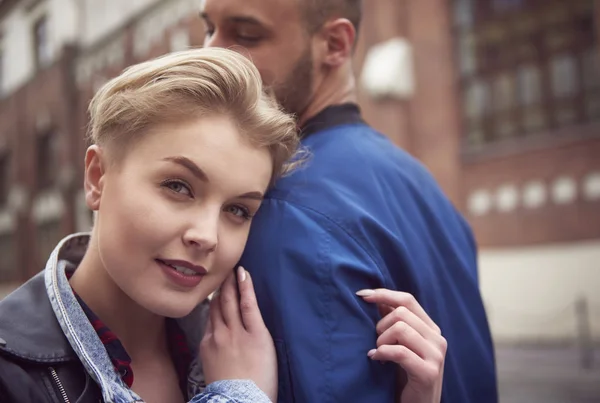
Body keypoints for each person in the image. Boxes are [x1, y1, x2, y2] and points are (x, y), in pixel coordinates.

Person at [0, 48, 445, 403]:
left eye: (238, 210)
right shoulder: (11, 371)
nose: (207, 236)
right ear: (98, 177)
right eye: (178, 186)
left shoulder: (252, 352)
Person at [201, 0, 498, 402]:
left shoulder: (282, 210)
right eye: (209, 29)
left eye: (247, 35)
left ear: (335, 44)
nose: (210, 53)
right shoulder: (423, 184)